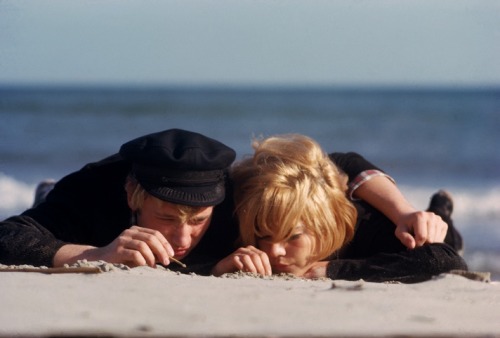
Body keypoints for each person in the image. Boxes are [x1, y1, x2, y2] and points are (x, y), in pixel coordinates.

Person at [0, 128, 458, 276]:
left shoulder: (237, 197)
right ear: (133, 195)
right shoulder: (98, 186)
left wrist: (404, 211)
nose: (183, 236)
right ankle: (47, 190)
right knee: (56, 215)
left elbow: (334, 162)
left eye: (198, 220)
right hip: (86, 221)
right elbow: (8, 236)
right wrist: (94, 254)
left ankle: (439, 207)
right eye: (166, 218)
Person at [212, 134, 466, 283]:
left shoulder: (367, 226)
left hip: (379, 220)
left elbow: (444, 260)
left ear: (324, 226)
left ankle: (441, 208)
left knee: (439, 234)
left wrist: (330, 269)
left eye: (293, 236)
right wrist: (218, 268)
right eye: (265, 235)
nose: (274, 250)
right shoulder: (248, 215)